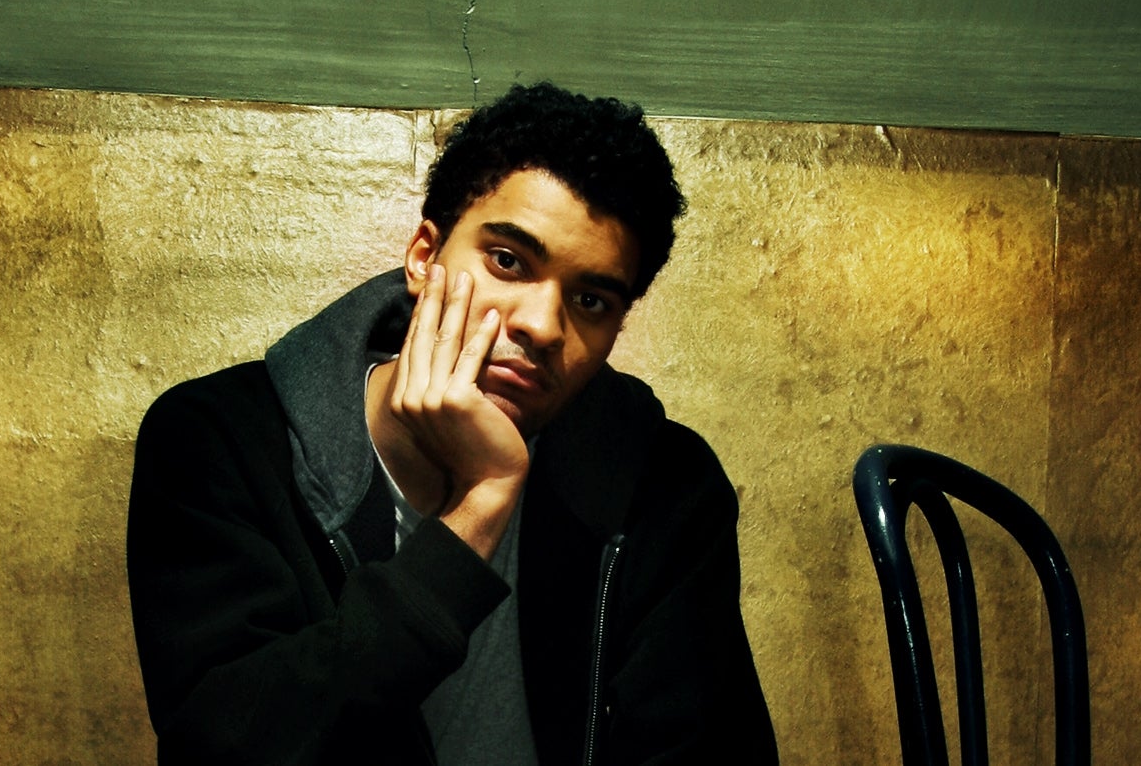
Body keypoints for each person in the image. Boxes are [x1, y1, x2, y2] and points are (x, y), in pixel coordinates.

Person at [127, 82, 778, 765]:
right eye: (508, 262)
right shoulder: (219, 442)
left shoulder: (662, 485)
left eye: (590, 300)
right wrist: (480, 507)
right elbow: (223, 745)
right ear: (423, 257)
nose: (542, 326)